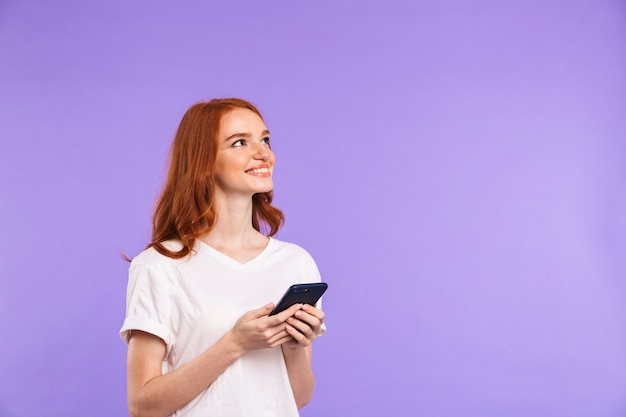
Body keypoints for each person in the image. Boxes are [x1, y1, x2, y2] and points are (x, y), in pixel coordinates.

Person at [119, 98, 326, 417]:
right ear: (203, 161)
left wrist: (295, 347)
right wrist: (236, 344)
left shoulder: (295, 263)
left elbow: (297, 398)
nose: (263, 153)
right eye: (240, 142)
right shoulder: (159, 266)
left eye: (265, 140)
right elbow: (143, 405)